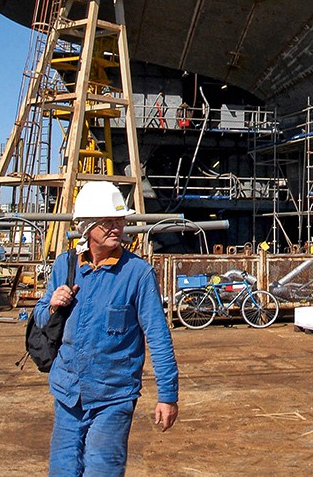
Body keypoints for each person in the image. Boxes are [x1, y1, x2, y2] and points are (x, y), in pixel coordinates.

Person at [34, 181, 179, 477]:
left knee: (102, 470)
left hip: (113, 397)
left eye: (119, 221)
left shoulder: (137, 274)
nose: (116, 228)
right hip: (68, 393)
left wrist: (167, 395)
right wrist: (51, 306)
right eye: (108, 222)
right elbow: (37, 318)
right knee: (62, 470)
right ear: (88, 227)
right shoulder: (65, 266)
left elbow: (158, 337)